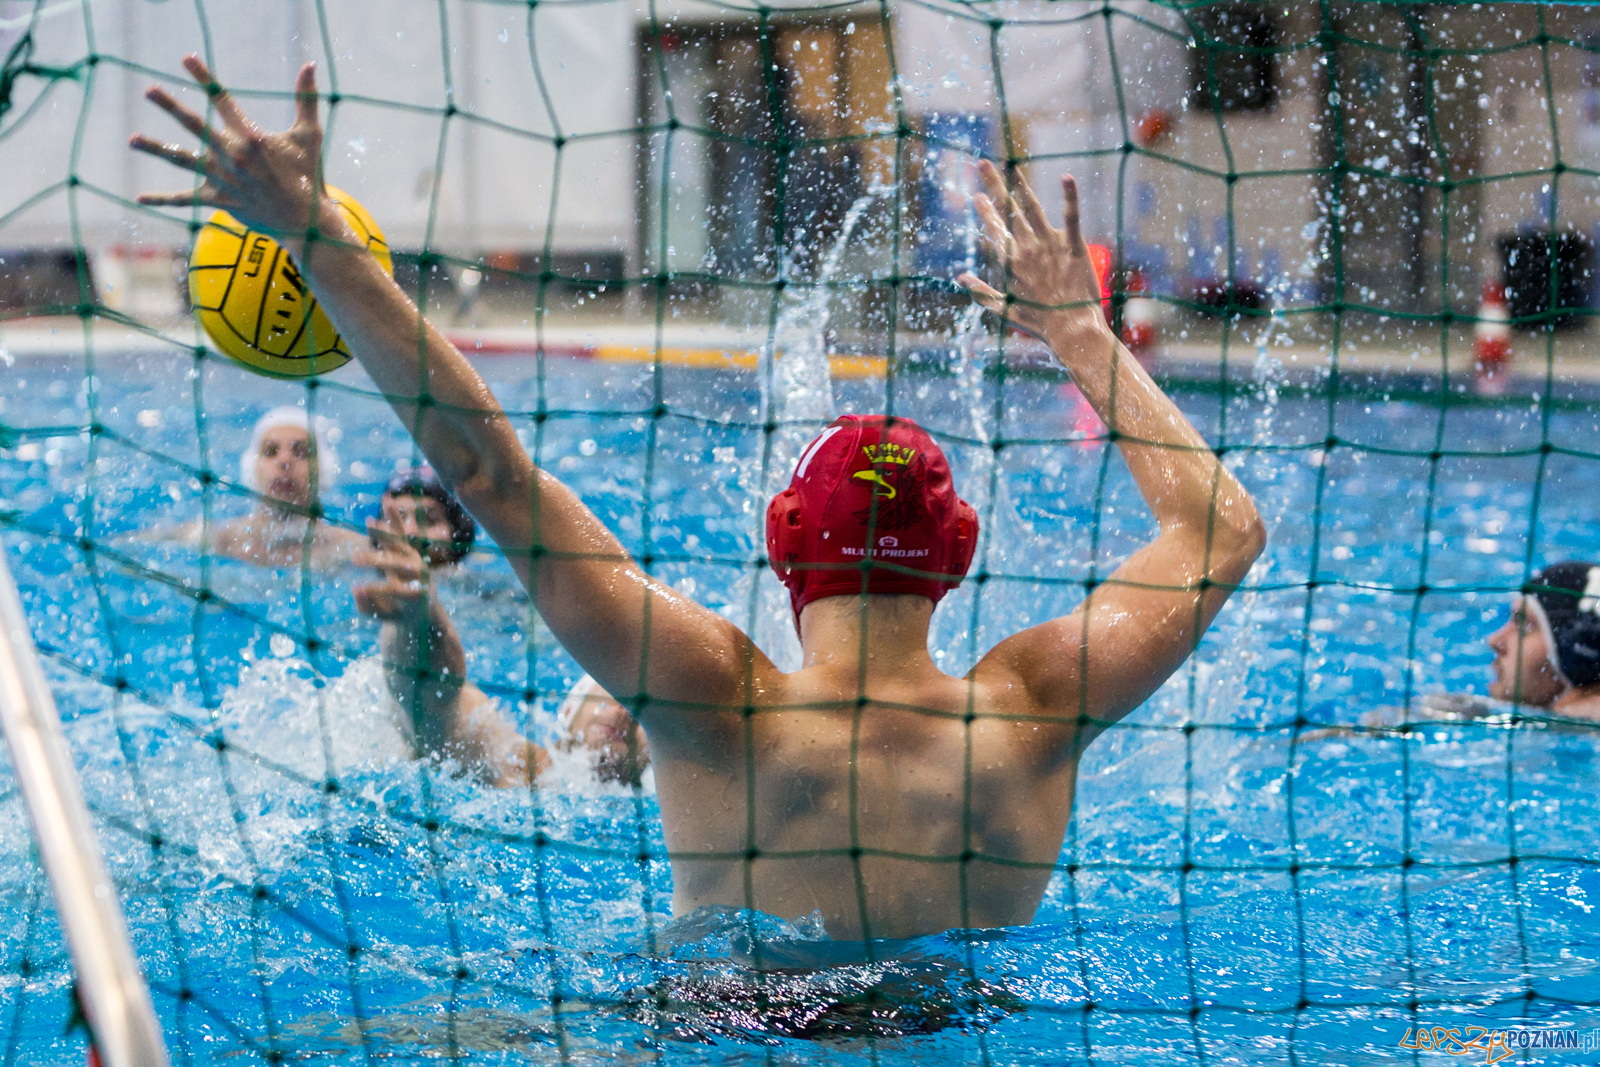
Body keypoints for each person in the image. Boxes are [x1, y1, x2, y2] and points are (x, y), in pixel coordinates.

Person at [133, 58, 1265, 941]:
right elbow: (1221, 527)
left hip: (719, 1022)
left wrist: (319, 240)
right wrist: (1076, 328)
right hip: (951, 1021)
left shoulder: (713, 698)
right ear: (958, 551)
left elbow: (489, 476)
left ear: (783, 544)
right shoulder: (1029, 708)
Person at [145, 405, 364, 568]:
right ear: (252, 468)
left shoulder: (351, 547)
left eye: (301, 452)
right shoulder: (217, 539)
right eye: (270, 451)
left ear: (323, 469)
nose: (284, 461)